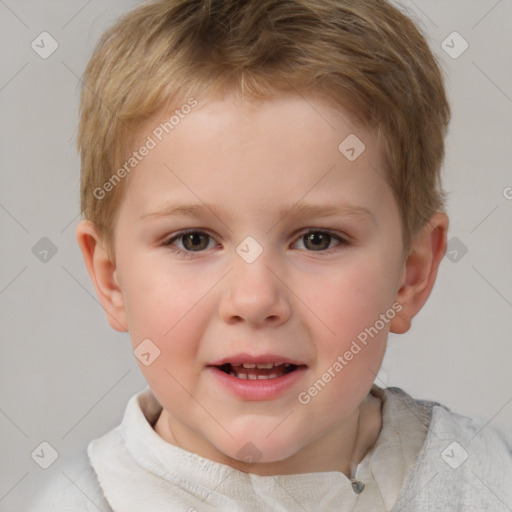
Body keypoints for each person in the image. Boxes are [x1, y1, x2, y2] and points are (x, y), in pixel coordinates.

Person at [28, 0, 512, 510]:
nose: (255, 300)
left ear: (410, 274)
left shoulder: (487, 482)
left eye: (317, 239)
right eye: (193, 240)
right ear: (111, 279)